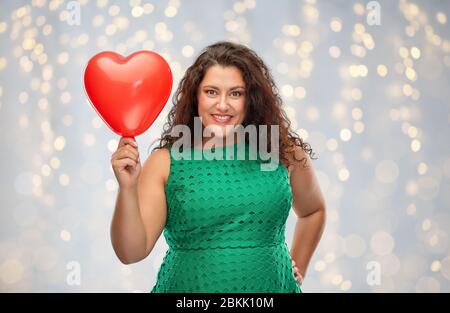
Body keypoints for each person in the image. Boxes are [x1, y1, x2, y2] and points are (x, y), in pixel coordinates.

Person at [110, 41, 326, 293]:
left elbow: (313, 211)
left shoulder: (282, 152)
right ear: (195, 96)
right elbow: (131, 252)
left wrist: (294, 267)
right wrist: (127, 188)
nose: (222, 105)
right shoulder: (166, 162)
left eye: (236, 93)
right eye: (211, 92)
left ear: (252, 98)